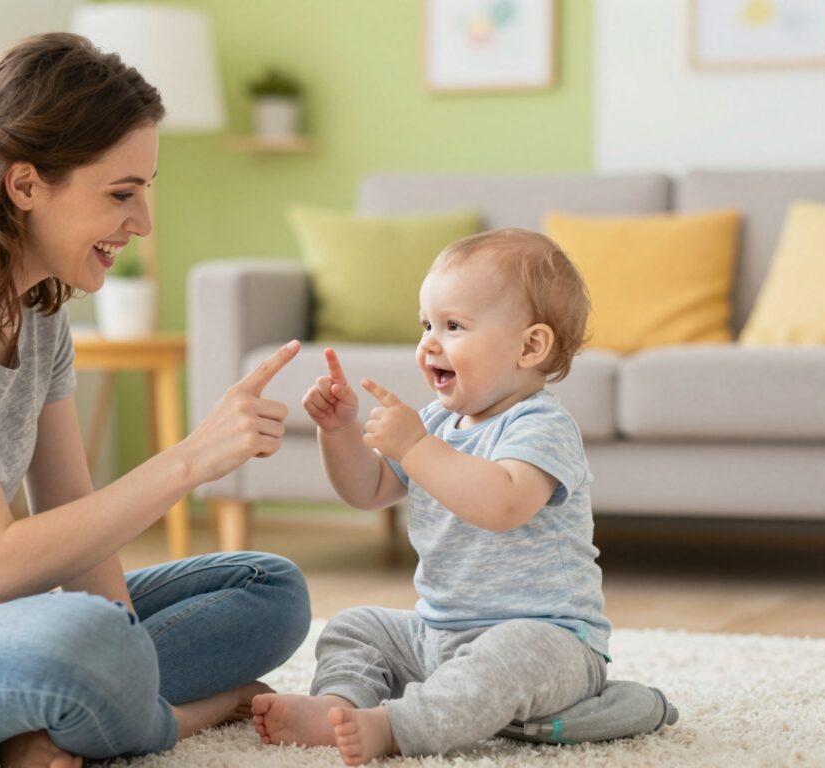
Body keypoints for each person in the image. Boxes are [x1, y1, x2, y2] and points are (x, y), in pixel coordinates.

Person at [0, 33, 310, 766]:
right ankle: (164, 717)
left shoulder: (41, 313)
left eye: (145, 190)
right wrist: (188, 462)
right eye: (121, 193)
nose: (142, 222)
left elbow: (71, 523)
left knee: (268, 586)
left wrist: (116, 641)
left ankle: (47, 715)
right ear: (24, 185)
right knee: (81, 642)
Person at [252, 228, 611, 765]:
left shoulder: (541, 426)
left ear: (530, 345)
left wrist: (416, 447)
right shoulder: (436, 422)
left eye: (453, 326)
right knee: (355, 625)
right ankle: (338, 704)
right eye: (426, 325)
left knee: (507, 660)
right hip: (438, 632)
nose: (429, 343)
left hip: (550, 639)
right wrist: (340, 431)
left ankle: (395, 728)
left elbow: (503, 504)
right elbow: (368, 489)